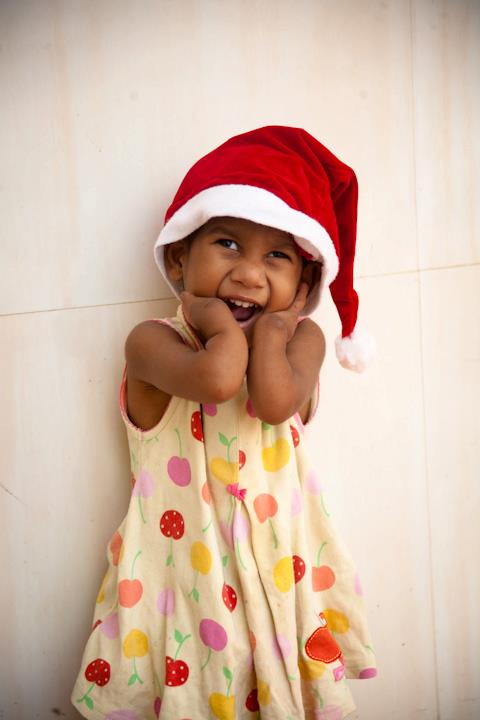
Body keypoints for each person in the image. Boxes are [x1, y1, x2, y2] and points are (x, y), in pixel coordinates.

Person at [71, 126, 377, 720]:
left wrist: (276, 326)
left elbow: (272, 401)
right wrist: (213, 321)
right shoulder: (152, 344)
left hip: (279, 584)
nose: (250, 275)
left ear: (304, 285)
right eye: (229, 245)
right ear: (179, 258)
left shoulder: (302, 342)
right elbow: (217, 378)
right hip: (184, 590)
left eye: (277, 256)